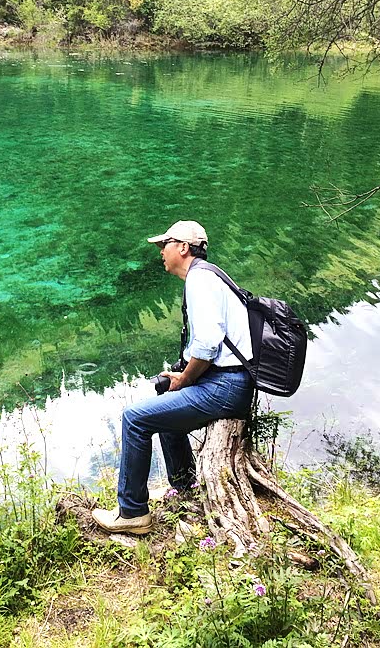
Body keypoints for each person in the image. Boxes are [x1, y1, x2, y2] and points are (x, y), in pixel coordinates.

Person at [92, 220, 254, 535]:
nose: (160, 252)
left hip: (227, 386)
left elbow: (208, 345)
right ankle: (185, 490)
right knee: (166, 404)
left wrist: (186, 379)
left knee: (134, 418)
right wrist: (182, 377)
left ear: (182, 247)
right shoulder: (208, 276)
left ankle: (132, 513)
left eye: (164, 245)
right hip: (231, 380)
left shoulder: (199, 281)